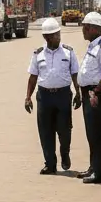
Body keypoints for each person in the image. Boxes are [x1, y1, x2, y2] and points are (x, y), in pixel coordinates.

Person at [24, 18, 81, 174]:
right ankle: (50, 164)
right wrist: (28, 97)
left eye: (58, 34)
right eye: (54, 35)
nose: (58, 37)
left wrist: (78, 92)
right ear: (46, 37)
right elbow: (33, 77)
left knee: (64, 129)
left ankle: (65, 154)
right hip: (44, 96)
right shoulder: (38, 54)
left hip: (63, 96)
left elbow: (75, 73)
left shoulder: (68, 52)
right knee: (45, 131)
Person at [78, 11, 101, 184]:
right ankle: (93, 167)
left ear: (94, 29)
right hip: (89, 92)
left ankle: (99, 173)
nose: (83, 30)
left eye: (86, 27)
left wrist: (96, 92)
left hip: (96, 92)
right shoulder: (93, 46)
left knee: (96, 133)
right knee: (90, 133)